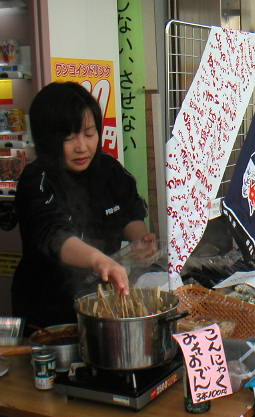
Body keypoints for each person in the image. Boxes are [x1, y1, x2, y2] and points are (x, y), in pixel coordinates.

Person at [12, 82, 154, 330]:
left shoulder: (107, 169)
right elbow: (53, 235)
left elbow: (128, 211)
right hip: (48, 314)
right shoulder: (37, 179)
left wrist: (141, 240)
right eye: (69, 137)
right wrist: (99, 260)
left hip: (101, 305)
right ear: (47, 139)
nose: (82, 147)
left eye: (89, 134)